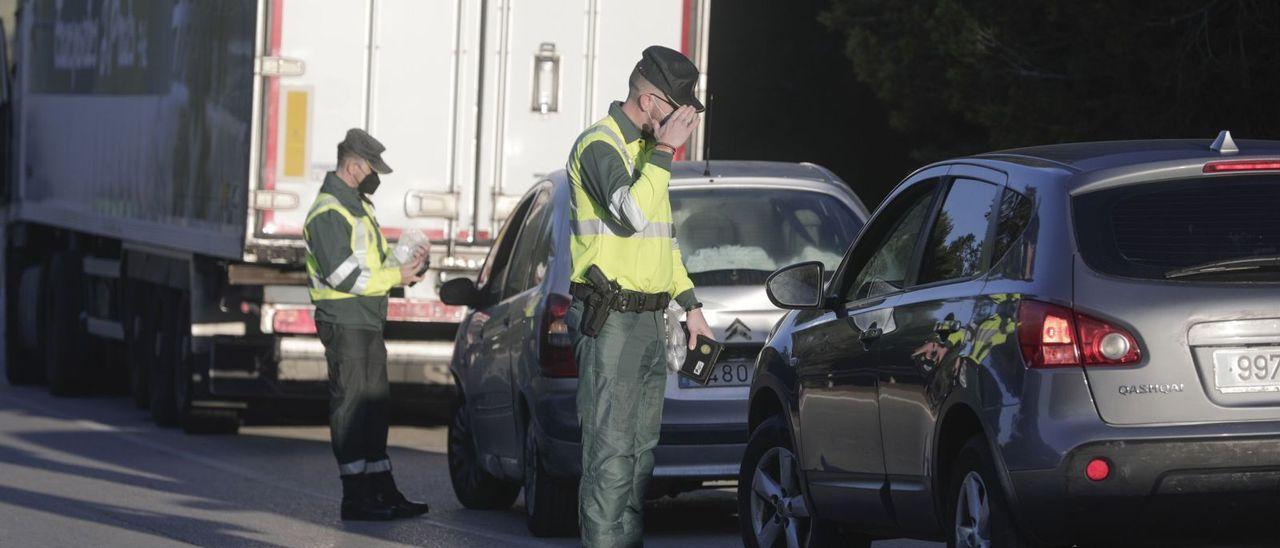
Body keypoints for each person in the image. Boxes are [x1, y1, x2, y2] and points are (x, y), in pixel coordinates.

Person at [565, 46, 716, 546]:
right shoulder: (599, 146)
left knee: (638, 460)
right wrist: (666, 154)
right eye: (677, 110)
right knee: (609, 460)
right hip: (610, 320)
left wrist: (691, 307)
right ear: (651, 102)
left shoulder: (651, 156)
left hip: (652, 322)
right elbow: (628, 215)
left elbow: (662, 241)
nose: (682, 121)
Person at [304, 129, 431, 521]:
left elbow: (373, 265)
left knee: (374, 405)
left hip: (367, 319)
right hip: (344, 319)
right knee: (353, 404)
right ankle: (356, 497)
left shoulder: (360, 207)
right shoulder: (329, 212)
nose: (376, 176)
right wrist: (395, 278)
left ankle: (382, 490)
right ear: (354, 165)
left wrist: (408, 267)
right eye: (372, 168)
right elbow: (343, 276)